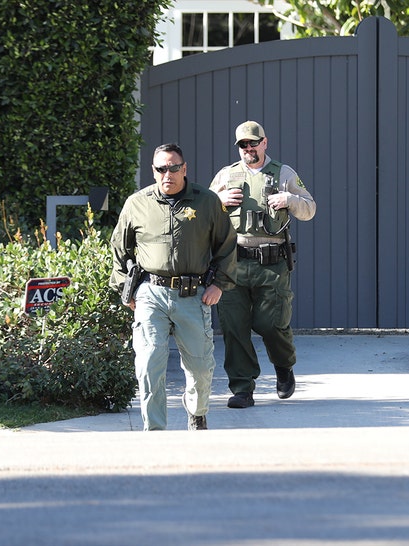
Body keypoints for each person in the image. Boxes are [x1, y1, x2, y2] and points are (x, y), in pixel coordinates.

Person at [110, 143, 237, 431]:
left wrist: (218, 284)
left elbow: (227, 246)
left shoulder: (206, 202)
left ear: (185, 168)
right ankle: (155, 431)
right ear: (153, 171)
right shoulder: (137, 203)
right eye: (161, 169)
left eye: (174, 167)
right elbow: (119, 249)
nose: (168, 174)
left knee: (200, 367)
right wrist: (126, 290)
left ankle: (197, 413)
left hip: (193, 296)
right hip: (150, 294)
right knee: (149, 362)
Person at [209, 121, 316, 409]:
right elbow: (205, 214)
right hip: (233, 263)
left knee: (271, 323)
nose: (249, 149)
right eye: (243, 145)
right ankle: (242, 388)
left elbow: (310, 209)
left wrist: (290, 199)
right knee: (234, 326)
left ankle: (284, 365)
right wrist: (218, 200)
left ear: (265, 142)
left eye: (253, 143)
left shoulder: (283, 173)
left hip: (272, 263)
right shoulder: (226, 175)